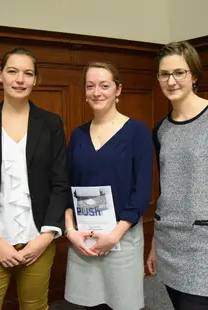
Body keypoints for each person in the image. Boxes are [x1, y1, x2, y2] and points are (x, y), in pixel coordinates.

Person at [0, 47, 69, 310]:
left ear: (35, 80)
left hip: (39, 242)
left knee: (35, 306)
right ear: (0, 75)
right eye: (12, 71)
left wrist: (45, 239)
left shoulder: (51, 123)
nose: (20, 79)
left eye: (28, 73)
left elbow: (60, 184)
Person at [146, 41, 208, 310]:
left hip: (206, 247)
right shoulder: (160, 129)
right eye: (164, 74)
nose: (171, 81)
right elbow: (166, 190)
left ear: (194, 75)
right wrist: (155, 245)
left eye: (179, 72)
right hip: (169, 241)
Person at [63, 61, 154, 310]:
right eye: (90, 86)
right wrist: (71, 232)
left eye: (104, 85)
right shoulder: (78, 135)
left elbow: (142, 191)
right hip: (84, 240)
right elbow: (66, 188)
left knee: (122, 305)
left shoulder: (137, 132)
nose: (97, 92)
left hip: (121, 238)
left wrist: (114, 236)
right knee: (86, 305)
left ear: (118, 90)